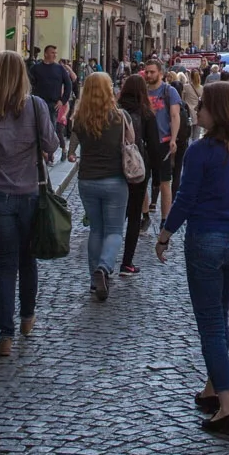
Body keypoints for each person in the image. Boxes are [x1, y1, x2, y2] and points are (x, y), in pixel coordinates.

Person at [158, 81, 229, 433]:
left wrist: (165, 234)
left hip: (206, 240)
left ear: (215, 112)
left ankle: (227, 405)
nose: (196, 109)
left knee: (210, 324)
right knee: (219, 315)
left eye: (202, 105)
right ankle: (211, 388)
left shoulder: (200, 152)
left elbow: (186, 199)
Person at [0, 50, 60, 356]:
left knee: (6, 266)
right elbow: (51, 144)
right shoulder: (36, 106)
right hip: (31, 193)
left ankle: (4, 336)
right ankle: (28, 317)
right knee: (27, 260)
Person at [68, 72, 133, 302]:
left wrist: (71, 152)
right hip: (115, 179)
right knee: (114, 230)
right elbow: (131, 142)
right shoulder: (120, 116)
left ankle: (93, 281)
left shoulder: (80, 118)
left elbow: (73, 145)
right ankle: (103, 269)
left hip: (87, 180)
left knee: (96, 230)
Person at [117, 72, 167, 277]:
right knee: (135, 215)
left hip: (115, 168)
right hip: (137, 169)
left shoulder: (116, 111)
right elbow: (154, 147)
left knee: (115, 215)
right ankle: (127, 261)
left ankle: (105, 260)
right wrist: (156, 177)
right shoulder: (146, 113)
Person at [140, 60, 185, 221]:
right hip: (144, 143)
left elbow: (175, 116)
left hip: (163, 142)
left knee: (165, 182)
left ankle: (165, 219)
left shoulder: (169, 91)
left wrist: (173, 139)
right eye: (147, 72)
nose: (149, 75)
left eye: (152, 72)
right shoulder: (142, 92)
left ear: (160, 73)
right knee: (141, 182)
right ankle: (145, 215)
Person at [30, 44, 76, 142]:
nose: (55, 55)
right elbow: (29, 83)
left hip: (53, 104)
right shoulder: (36, 68)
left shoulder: (60, 69)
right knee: (37, 128)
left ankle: (50, 154)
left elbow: (68, 85)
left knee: (51, 129)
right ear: (46, 54)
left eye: (56, 53)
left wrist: (62, 101)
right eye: (52, 53)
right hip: (38, 103)